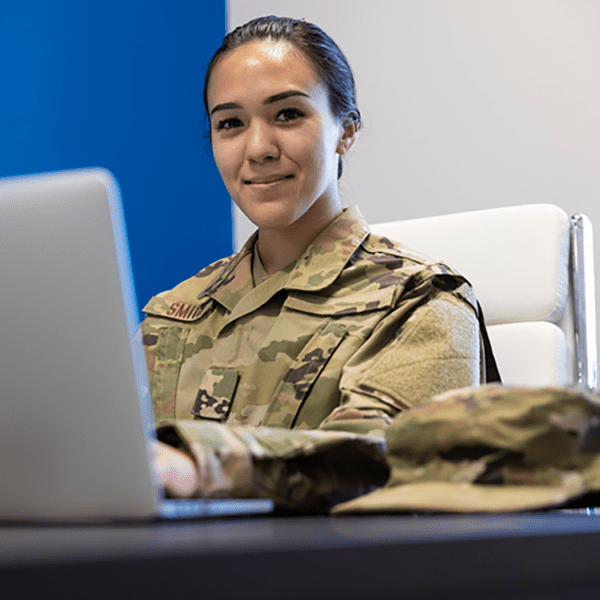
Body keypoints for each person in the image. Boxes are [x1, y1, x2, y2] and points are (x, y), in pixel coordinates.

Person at [143, 16, 494, 503]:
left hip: (331, 575)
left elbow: (379, 459)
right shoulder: (171, 315)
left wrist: (196, 465)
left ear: (345, 131)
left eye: (287, 114)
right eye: (230, 124)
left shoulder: (422, 305)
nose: (259, 148)